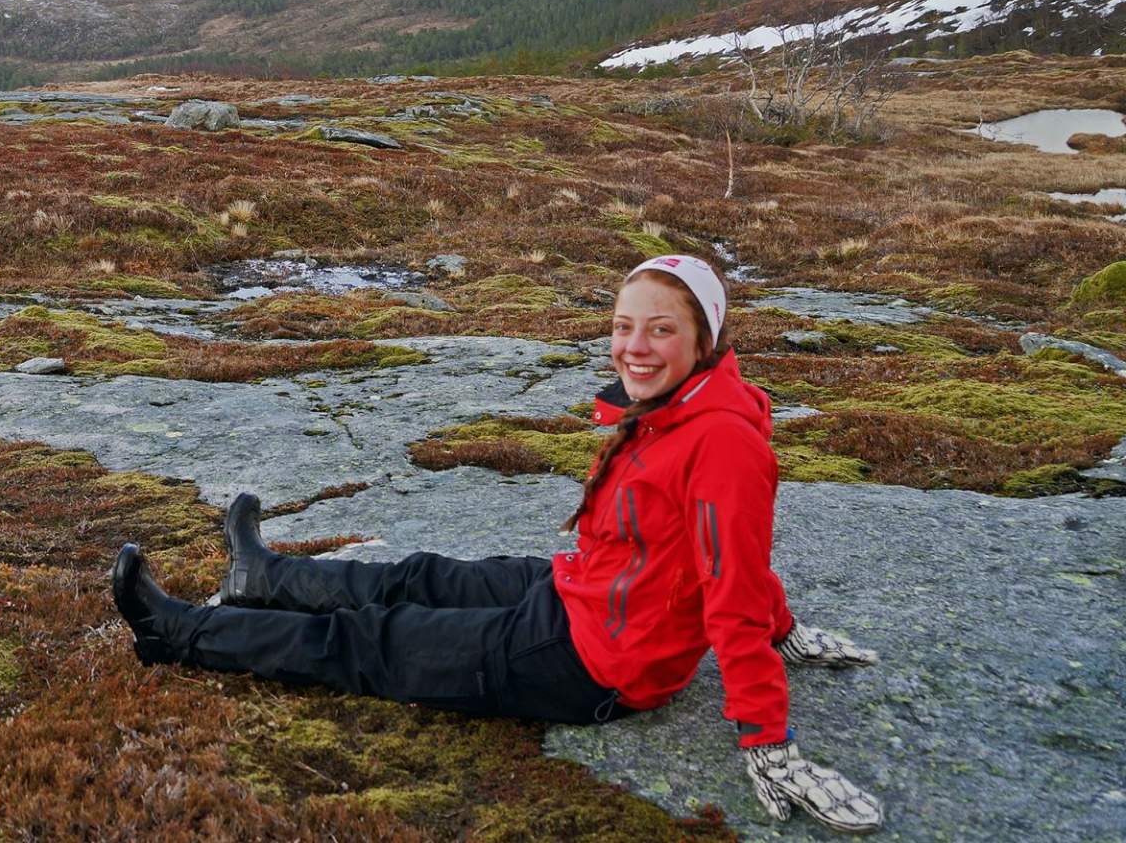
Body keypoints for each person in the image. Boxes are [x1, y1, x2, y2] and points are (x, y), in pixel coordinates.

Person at [110, 254, 886, 834]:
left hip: (592, 664)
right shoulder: (675, 407)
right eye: (623, 327)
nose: (634, 348)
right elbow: (720, 552)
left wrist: (768, 740)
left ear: (705, 340)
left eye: (661, 330)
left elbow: (732, 579)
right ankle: (260, 574)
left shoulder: (719, 443)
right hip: (578, 591)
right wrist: (790, 631)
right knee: (417, 575)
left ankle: (180, 633)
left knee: (374, 642)